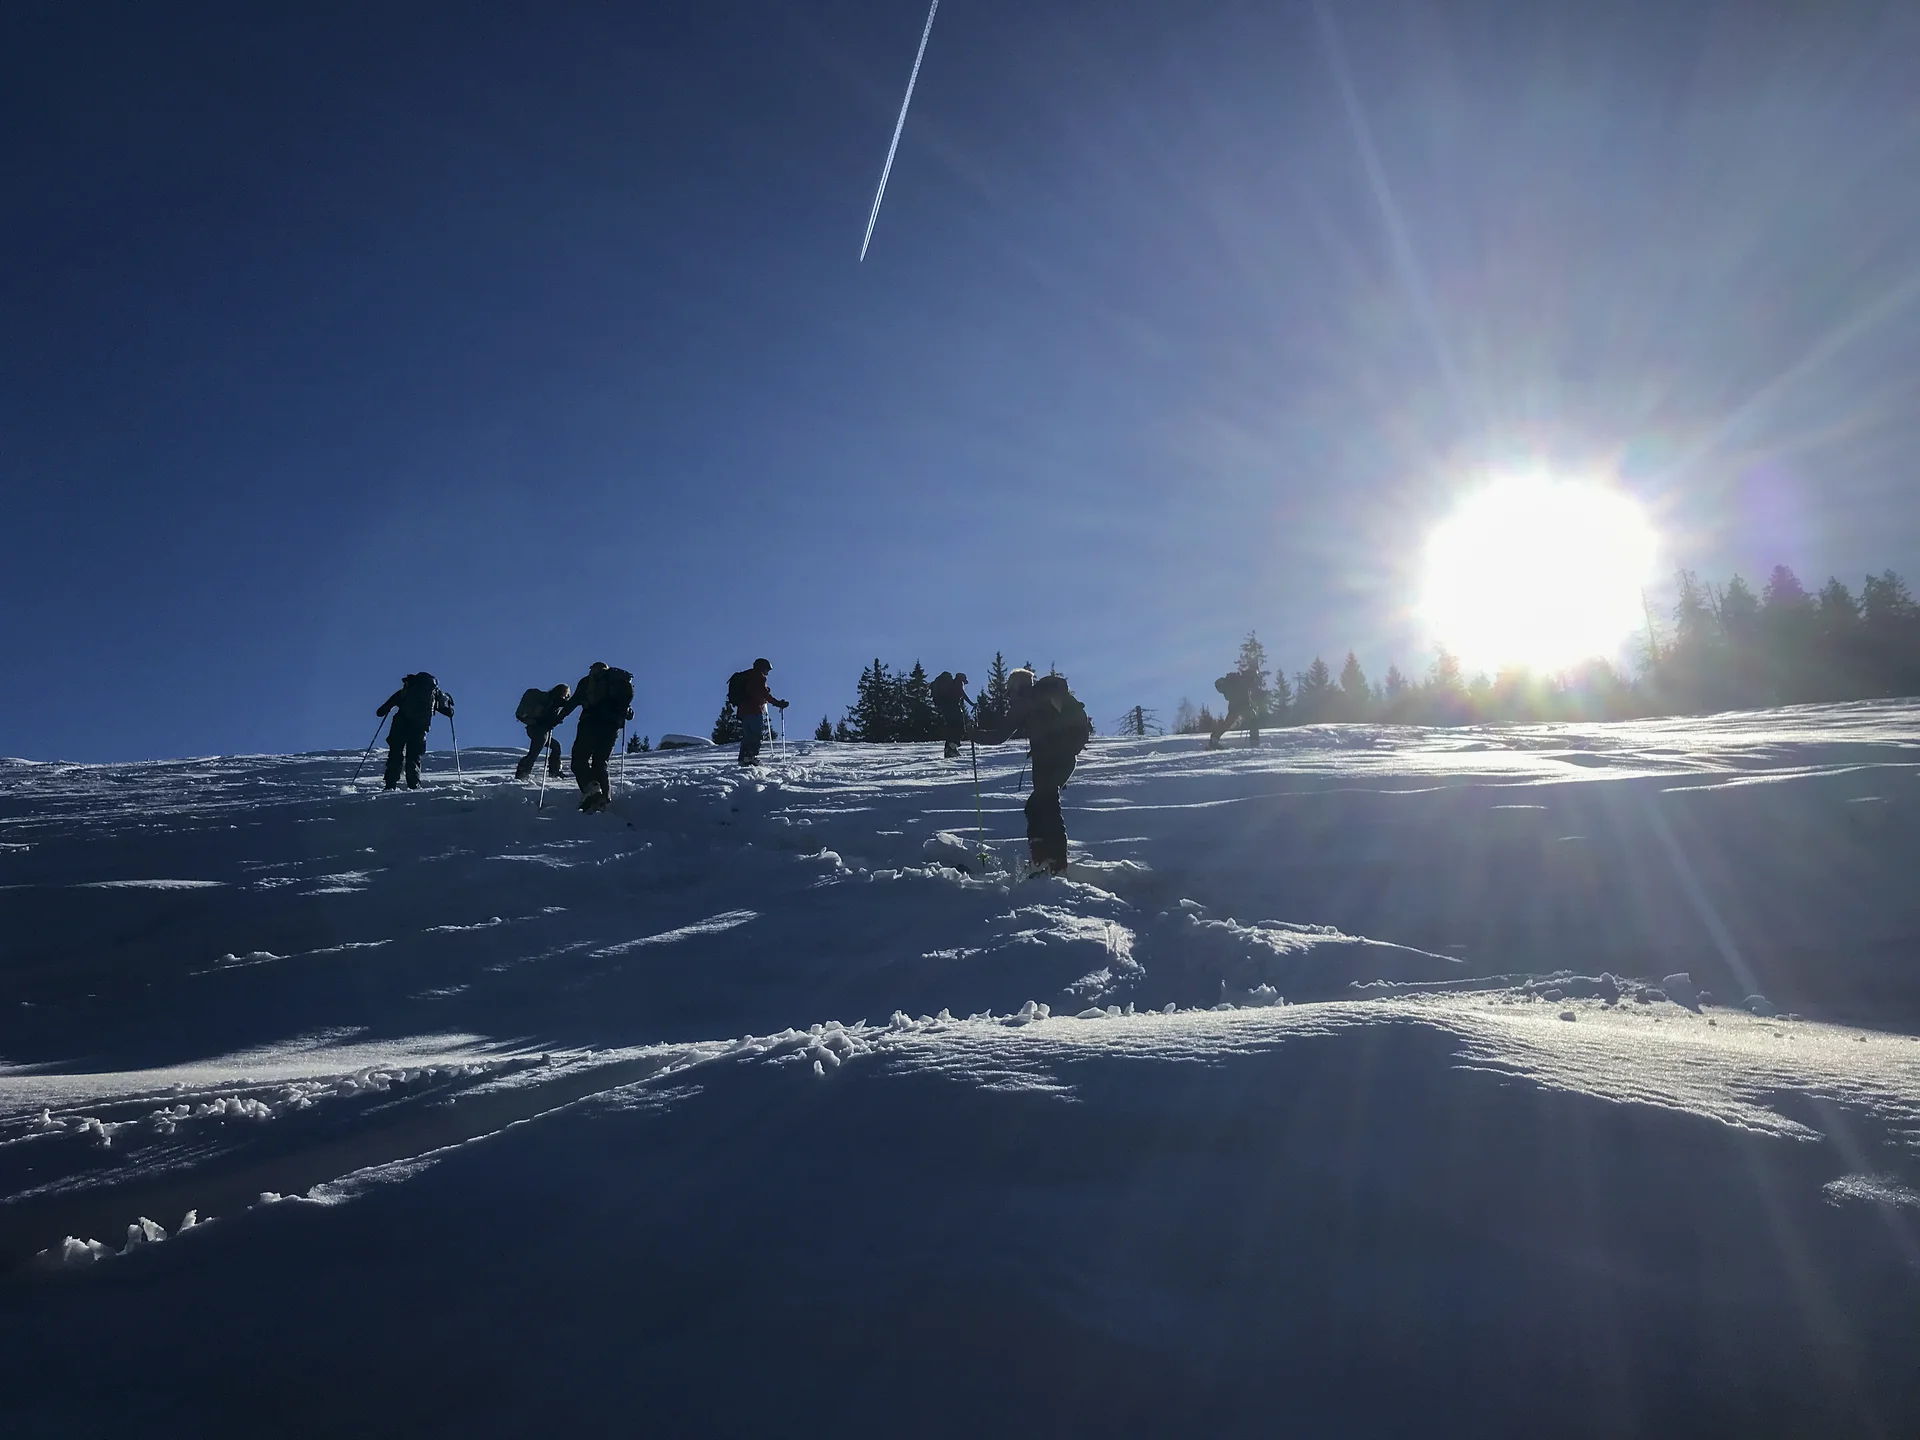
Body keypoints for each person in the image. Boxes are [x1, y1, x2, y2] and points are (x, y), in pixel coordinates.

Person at [971, 668, 1093, 876]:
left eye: (1010, 690)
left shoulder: (1026, 702)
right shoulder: (1047, 698)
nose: (1010, 696)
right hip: (1066, 759)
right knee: (1038, 806)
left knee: (1046, 807)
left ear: (1018, 687)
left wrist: (973, 734)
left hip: (1047, 758)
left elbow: (1000, 735)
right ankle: (1045, 858)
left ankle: (1054, 862)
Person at [555, 661, 634, 812]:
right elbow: (627, 711)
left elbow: (574, 701)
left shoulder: (587, 682)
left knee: (579, 760)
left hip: (590, 723)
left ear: (593, 670)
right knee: (600, 762)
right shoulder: (617, 683)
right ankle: (604, 796)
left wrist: (558, 717)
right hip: (612, 728)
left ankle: (591, 789)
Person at [375, 672, 454, 790]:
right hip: (420, 727)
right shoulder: (434, 692)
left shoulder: (407, 689)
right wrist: (450, 710)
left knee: (395, 753)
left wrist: (387, 709)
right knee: (414, 756)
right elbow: (448, 712)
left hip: (400, 724)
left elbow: (381, 711)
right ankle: (414, 784)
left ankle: (390, 784)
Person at [726, 658, 788, 766]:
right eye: (767, 670)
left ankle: (743, 758)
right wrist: (778, 703)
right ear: (762, 668)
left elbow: (755, 692)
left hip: (743, 711)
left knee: (748, 735)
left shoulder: (747, 676)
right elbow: (763, 694)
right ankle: (750, 756)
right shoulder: (758, 677)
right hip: (753, 709)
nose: (767, 673)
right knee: (756, 734)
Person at [513, 683, 571, 781]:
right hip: (536, 728)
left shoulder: (554, 704)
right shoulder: (547, 699)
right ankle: (523, 772)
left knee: (555, 746)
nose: (565, 698)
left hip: (540, 729)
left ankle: (553, 771)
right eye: (566, 695)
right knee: (537, 748)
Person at [1208, 670, 1257, 749]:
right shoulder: (1244, 681)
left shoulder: (1234, 682)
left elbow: (1228, 697)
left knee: (1228, 723)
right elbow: (1245, 693)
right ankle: (1255, 741)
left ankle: (1214, 738)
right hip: (1243, 705)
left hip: (1234, 706)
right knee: (1252, 719)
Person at [931, 670, 970, 759]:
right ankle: (952, 749)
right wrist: (972, 704)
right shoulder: (957, 683)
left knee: (952, 728)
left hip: (947, 709)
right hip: (954, 708)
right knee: (960, 728)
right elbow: (963, 695)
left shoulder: (950, 685)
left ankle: (949, 750)